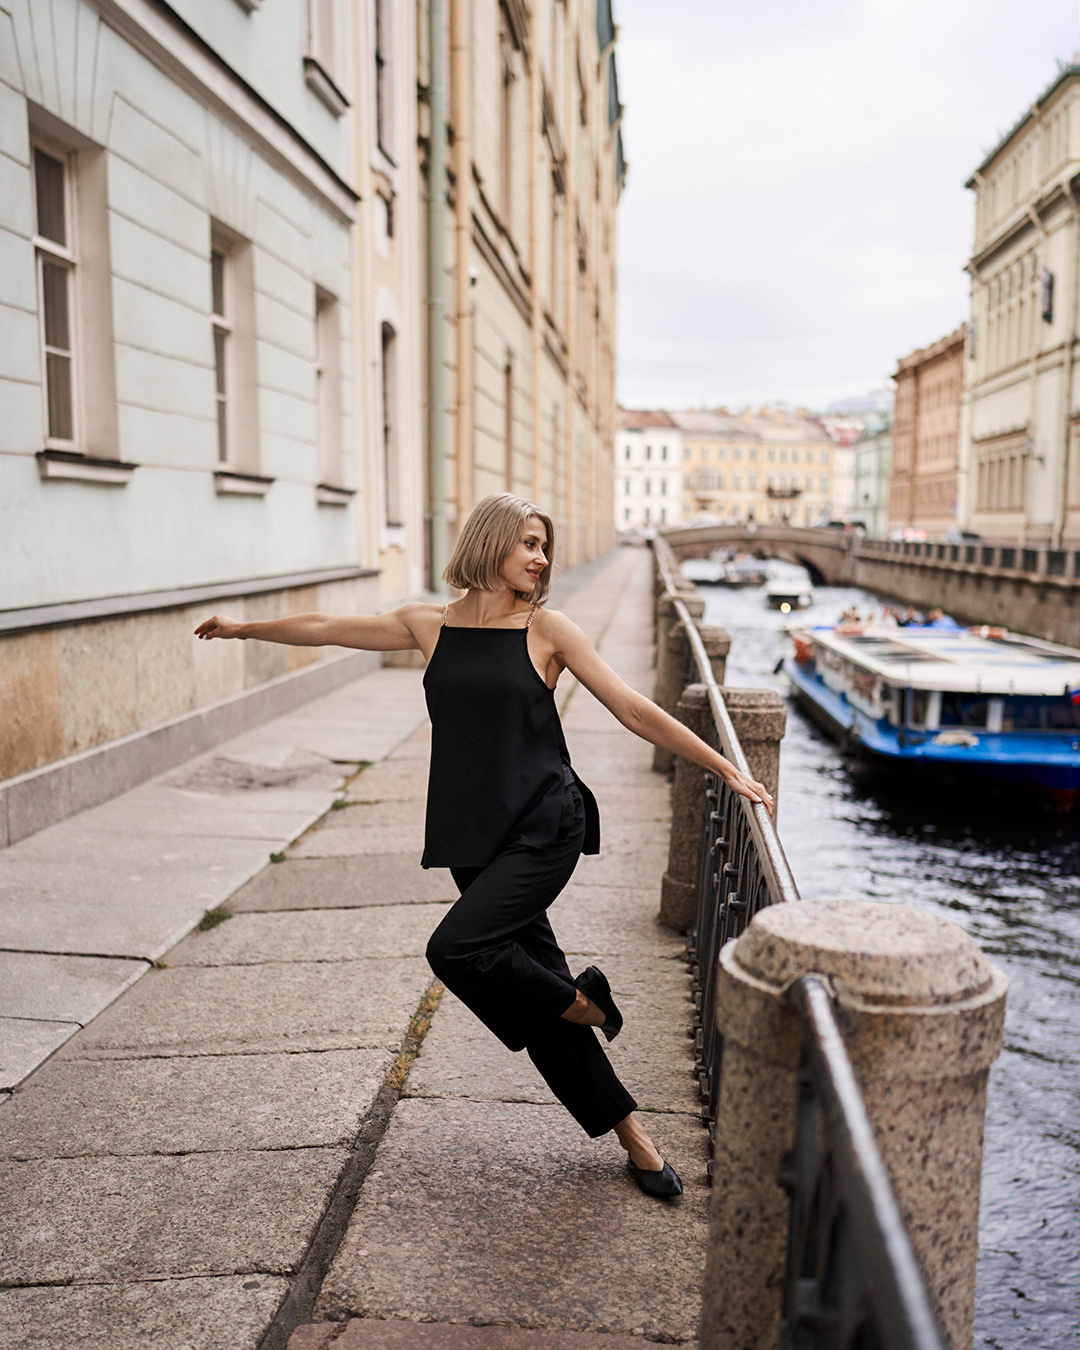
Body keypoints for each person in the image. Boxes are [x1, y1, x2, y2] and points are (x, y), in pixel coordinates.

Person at [194, 493, 773, 1199]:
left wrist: (723, 767)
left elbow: (631, 707)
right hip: (474, 835)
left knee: (457, 950)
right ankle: (634, 1135)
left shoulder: (547, 629)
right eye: (528, 542)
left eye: (544, 546)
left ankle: (586, 1002)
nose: (541, 557)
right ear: (490, 542)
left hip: (542, 825)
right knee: (534, 989)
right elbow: (325, 625)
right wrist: (243, 628)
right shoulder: (429, 625)